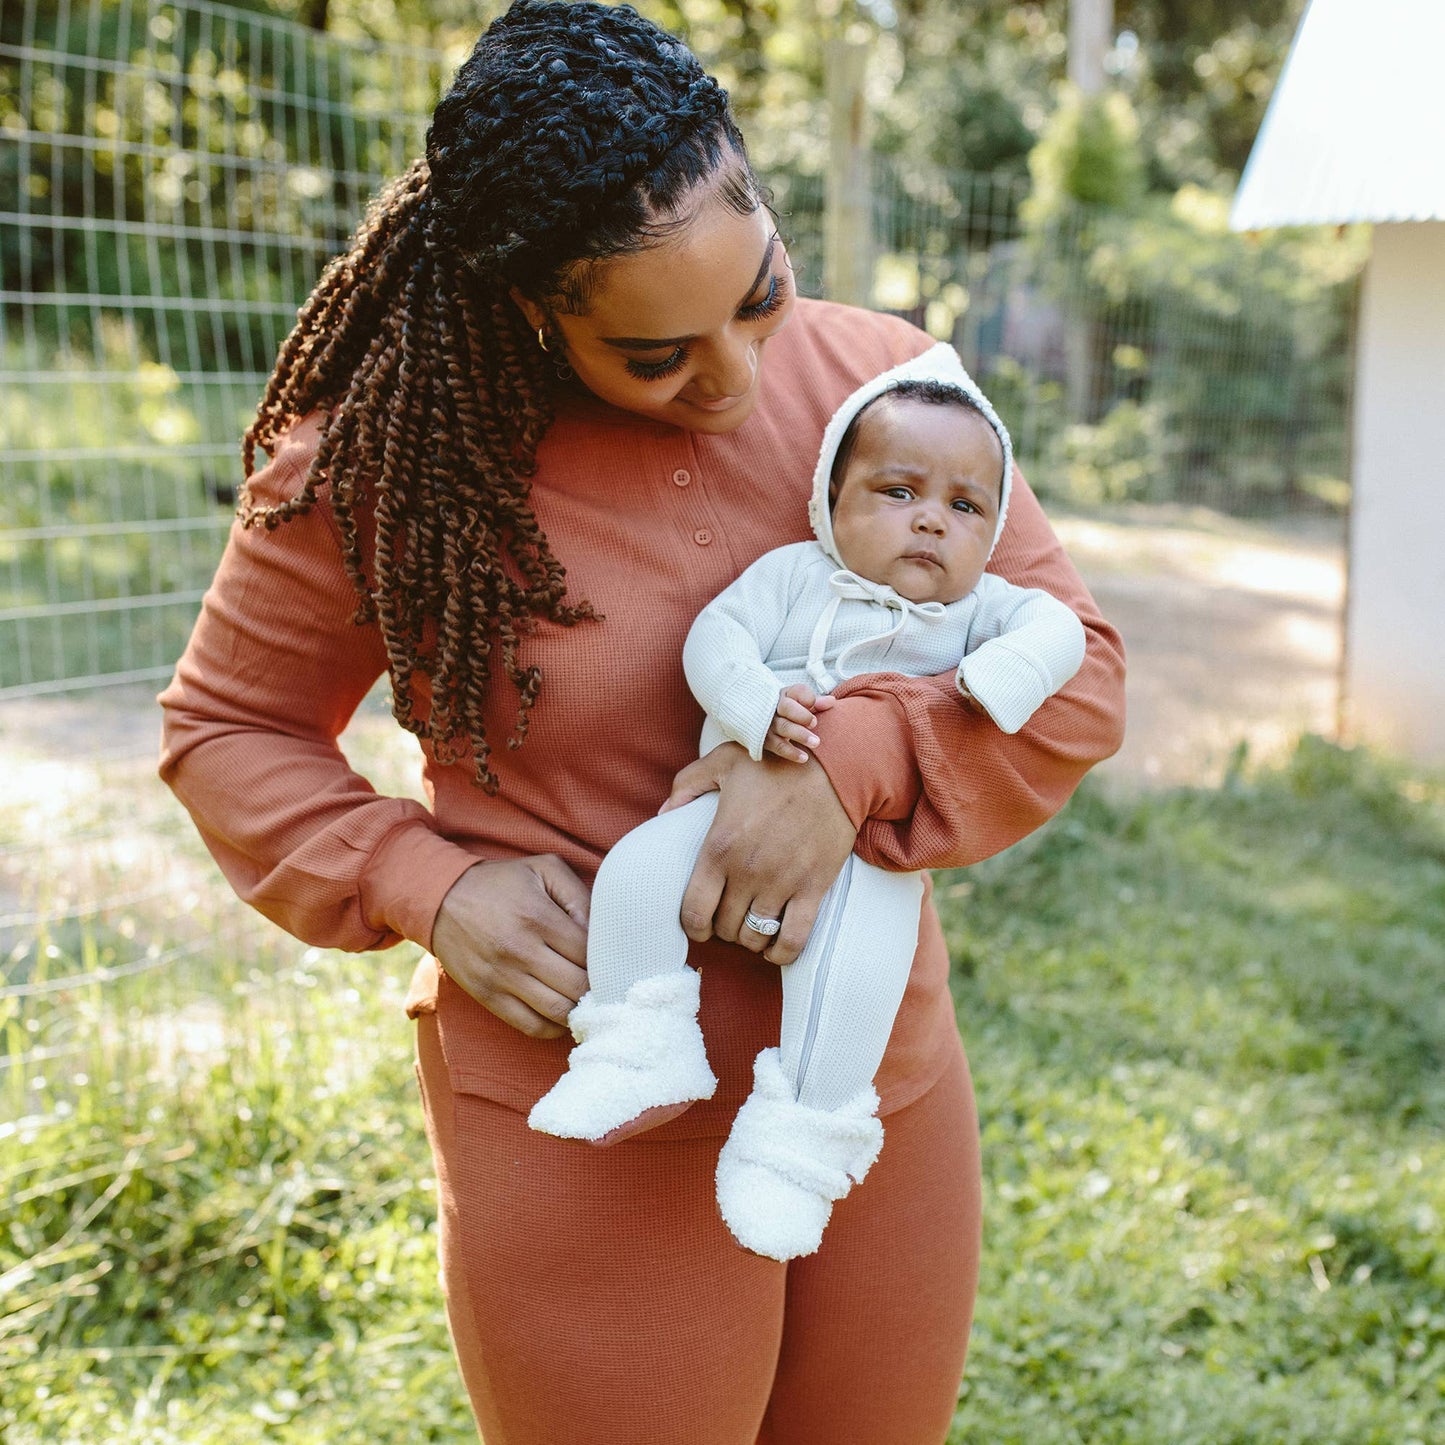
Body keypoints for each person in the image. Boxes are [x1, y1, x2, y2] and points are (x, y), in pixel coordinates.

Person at [157, 3, 1126, 1442]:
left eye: (761, 296)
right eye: (658, 355)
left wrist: (846, 766)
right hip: (582, 1102)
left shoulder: (890, 392)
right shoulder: (391, 458)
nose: (736, 382)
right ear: (528, 308)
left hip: (868, 1085)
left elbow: (1079, 667)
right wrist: (430, 885)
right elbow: (228, 727)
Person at [528, 344, 1087, 1266]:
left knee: (856, 974)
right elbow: (717, 637)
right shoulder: (793, 575)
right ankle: (635, 1040)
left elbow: (1060, 628)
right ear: (831, 501)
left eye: (964, 506)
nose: (929, 524)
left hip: (875, 849)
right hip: (734, 796)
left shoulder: (980, 608)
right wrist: (750, 703)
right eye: (896, 492)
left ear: (992, 534)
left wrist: (996, 678)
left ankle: (800, 1140)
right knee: (634, 872)